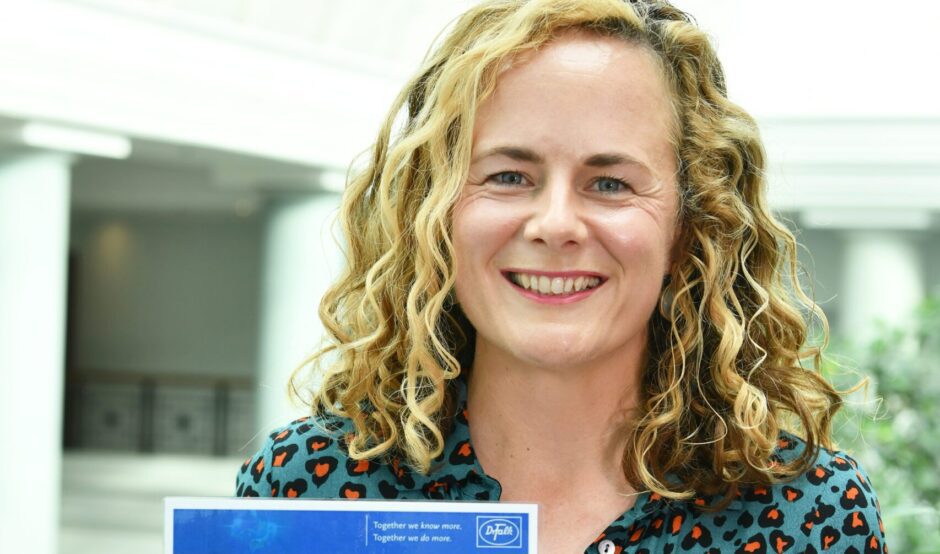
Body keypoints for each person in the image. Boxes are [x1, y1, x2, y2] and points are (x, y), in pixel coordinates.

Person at [236, 1, 887, 552]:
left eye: (610, 183)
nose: (555, 223)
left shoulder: (806, 513)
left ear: (687, 227)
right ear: (432, 214)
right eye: (509, 176)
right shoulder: (307, 489)